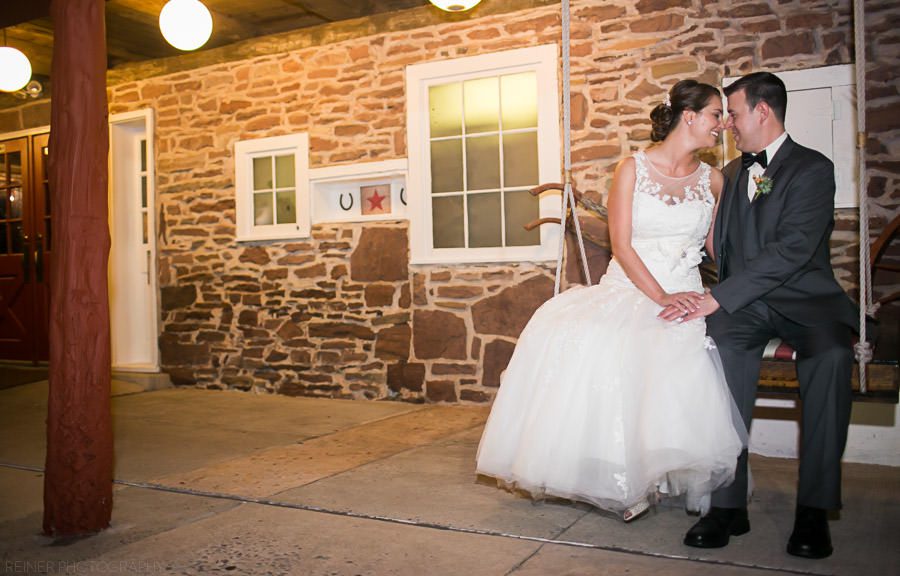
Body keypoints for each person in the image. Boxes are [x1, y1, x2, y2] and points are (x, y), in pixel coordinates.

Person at [475, 80, 745, 522]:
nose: (723, 125)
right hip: (633, 287)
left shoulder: (714, 180)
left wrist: (730, 287)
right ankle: (619, 479)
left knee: (678, 354)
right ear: (690, 116)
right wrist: (661, 297)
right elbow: (622, 245)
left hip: (686, 291)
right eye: (717, 114)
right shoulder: (632, 168)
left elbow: (719, 248)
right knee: (605, 342)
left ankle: (653, 472)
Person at [670, 72, 858, 559]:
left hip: (807, 303)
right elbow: (718, 249)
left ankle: (815, 510)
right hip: (746, 307)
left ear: (762, 111)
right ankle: (728, 505)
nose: (727, 124)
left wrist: (719, 295)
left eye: (732, 113)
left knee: (833, 356)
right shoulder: (730, 174)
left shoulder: (814, 169)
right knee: (717, 348)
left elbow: (794, 249)